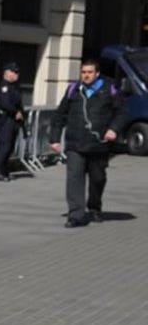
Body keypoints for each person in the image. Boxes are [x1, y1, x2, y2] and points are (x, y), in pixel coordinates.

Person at [49, 58, 129, 228]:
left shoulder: (109, 89)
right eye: (83, 72)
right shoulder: (73, 90)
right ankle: (75, 215)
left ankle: (94, 207)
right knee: (74, 179)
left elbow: (122, 112)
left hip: (98, 144)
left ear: (97, 73)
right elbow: (59, 115)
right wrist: (55, 138)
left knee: (97, 178)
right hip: (75, 143)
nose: (86, 75)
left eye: (90, 72)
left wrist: (113, 129)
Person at [0, 62, 24, 182]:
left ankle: (4, 170)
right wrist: (16, 112)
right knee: (5, 147)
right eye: (14, 72)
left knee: (10, 147)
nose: (17, 74)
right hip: (6, 120)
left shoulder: (13, 87)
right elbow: (4, 104)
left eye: (17, 72)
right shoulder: (4, 87)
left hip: (13, 121)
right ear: (7, 73)